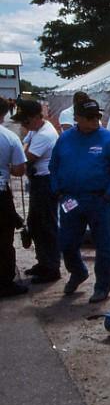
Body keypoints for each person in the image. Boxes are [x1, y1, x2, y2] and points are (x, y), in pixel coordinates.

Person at [50, 98, 110, 303]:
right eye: (89, 117)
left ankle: (102, 286)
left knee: (103, 246)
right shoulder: (65, 139)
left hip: (99, 200)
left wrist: (109, 194)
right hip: (70, 200)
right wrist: (57, 190)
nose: (95, 121)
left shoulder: (109, 140)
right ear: (77, 118)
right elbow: (54, 166)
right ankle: (78, 272)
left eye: (97, 116)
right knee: (66, 242)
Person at [11, 100, 61, 283]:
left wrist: (10, 164)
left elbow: (24, 160)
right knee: (35, 222)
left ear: (34, 117)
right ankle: (44, 262)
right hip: (38, 180)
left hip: (45, 182)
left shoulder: (45, 135)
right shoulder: (36, 129)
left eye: (25, 121)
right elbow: (24, 145)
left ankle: (52, 267)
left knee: (46, 224)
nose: (23, 125)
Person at [0, 99, 28, 298]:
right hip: (1, 192)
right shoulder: (9, 137)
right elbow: (19, 169)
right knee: (3, 240)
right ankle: (5, 283)